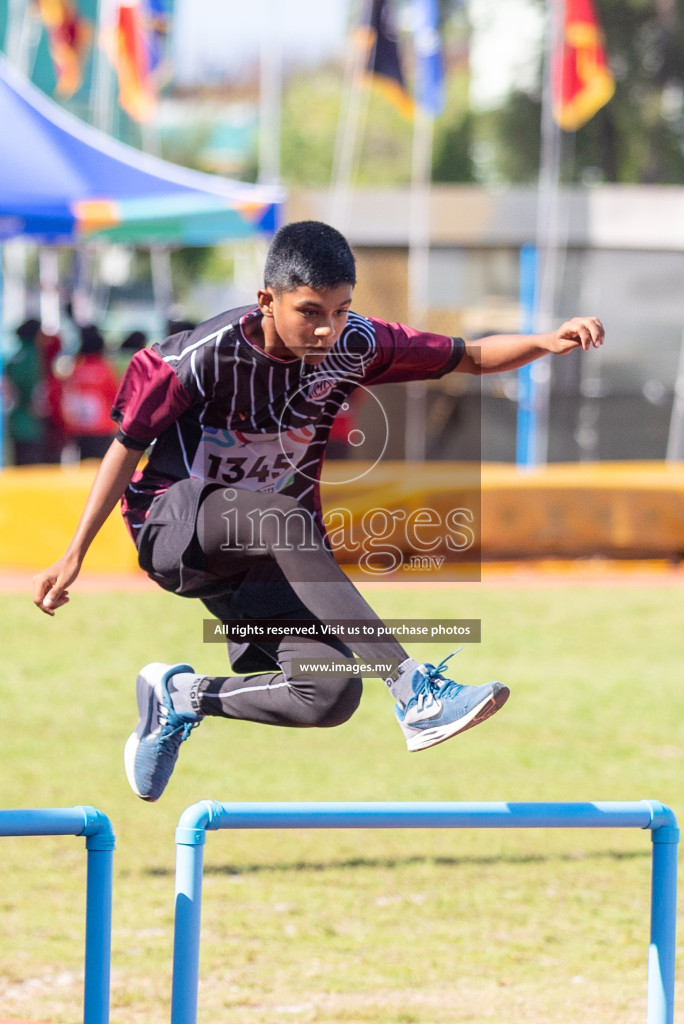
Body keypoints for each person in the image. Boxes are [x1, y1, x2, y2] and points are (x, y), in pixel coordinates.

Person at [33, 221, 605, 803]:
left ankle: (181, 698)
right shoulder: (194, 359)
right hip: (173, 527)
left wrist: (546, 340)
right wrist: (73, 554)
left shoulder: (356, 342)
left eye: (340, 309)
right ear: (266, 301)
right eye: (309, 312)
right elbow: (124, 449)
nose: (327, 329)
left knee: (329, 693)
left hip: (262, 551)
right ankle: (414, 691)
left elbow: (470, 357)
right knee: (281, 516)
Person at [60, 325, 120, 460]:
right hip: (102, 427)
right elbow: (116, 398)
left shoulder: (75, 369)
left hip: (80, 428)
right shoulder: (105, 370)